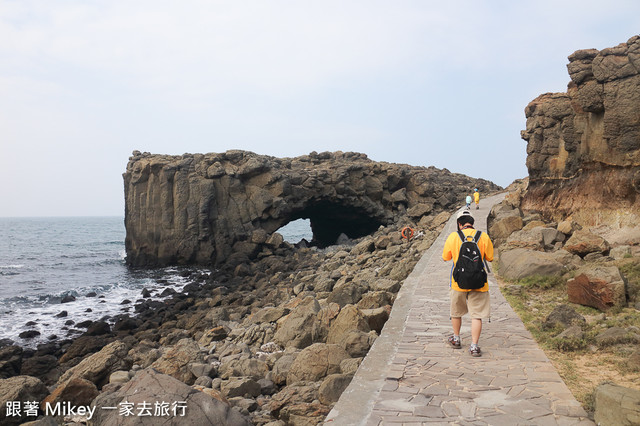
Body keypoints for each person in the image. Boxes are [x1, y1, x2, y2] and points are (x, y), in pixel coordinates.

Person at [442, 210, 494, 357]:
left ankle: (456, 339)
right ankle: (474, 346)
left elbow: (446, 257)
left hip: (458, 282)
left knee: (456, 312)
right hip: (479, 282)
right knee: (476, 315)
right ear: (472, 223)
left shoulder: (453, 236)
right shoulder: (483, 236)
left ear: (459, 224)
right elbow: (490, 258)